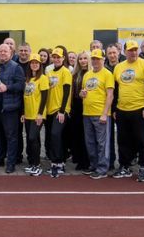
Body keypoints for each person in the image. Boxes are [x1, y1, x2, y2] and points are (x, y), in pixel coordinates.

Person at [112, 40, 144, 182]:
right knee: (123, 140)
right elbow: (116, 89)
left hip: (140, 110)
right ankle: (125, 166)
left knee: (142, 140)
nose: (133, 52)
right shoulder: (118, 67)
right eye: (130, 50)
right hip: (122, 110)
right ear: (124, 52)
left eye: (135, 49)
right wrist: (114, 109)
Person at [0, 42, 25, 173]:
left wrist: (7, 88)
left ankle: (11, 163)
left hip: (9, 108)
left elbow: (21, 85)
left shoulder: (16, 67)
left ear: (11, 53)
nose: (2, 53)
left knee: (11, 136)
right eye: (0, 51)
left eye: (5, 51)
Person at [80, 49, 115, 180]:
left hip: (100, 114)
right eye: (93, 58)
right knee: (90, 142)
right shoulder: (87, 75)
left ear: (103, 60)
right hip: (87, 113)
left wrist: (105, 114)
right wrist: (81, 94)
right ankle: (94, 165)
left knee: (102, 143)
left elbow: (110, 95)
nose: (95, 61)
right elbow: (83, 92)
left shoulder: (107, 74)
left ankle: (102, 168)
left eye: (97, 59)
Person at [42, 47, 73, 178]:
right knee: (51, 136)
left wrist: (62, 110)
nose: (56, 59)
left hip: (60, 110)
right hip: (49, 109)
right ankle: (55, 162)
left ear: (63, 58)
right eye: (54, 57)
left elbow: (67, 92)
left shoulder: (65, 72)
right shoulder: (49, 72)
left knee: (56, 134)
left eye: (58, 57)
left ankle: (58, 162)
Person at [22, 58, 49, 175]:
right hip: (28, 114)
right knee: (31, 139)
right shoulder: (27, 79)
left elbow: (44, 97)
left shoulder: (43, 78)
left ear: (40, 65)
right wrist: (23, 113)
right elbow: (25, 97)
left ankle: (37, 165)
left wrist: (40, 114)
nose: (34, 65)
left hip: (37, 115)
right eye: (32, 63)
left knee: (33, 138)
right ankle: (33, 164)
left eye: (36, 63)